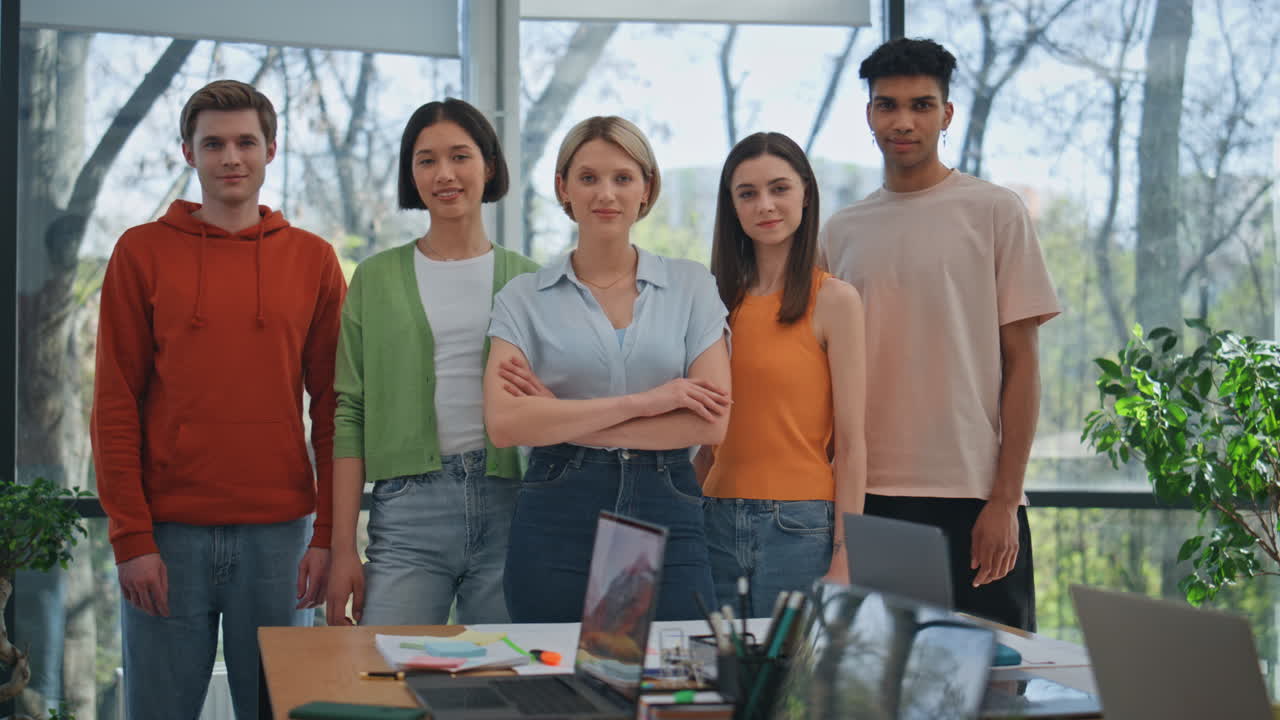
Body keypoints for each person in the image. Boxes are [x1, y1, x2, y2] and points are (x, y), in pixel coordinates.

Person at [91, 79, 345, 719]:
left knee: (277, 711)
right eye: (214, 143)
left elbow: (335, 407)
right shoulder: (140, 253)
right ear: (188, 153)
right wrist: (130, 538)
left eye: (245, 142)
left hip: (281, 538)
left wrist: (329, 536)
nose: (231, 157)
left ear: (271, 150)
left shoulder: (313, 260)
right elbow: (115, 403)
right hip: (168, 537)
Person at [819, 38, 1061, 632]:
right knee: (874, 691)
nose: (903, 121)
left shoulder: (996, 211)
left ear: (946, 114)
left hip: (975, 498)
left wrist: (1005, 498)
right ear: (870, 114)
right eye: (888, 105)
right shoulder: (840, 232)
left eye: (922, 105)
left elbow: (1023, 366)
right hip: (867, 499)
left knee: (994, 688)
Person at [485, 115, 729, 623]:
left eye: (623, 178)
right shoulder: (523, 298)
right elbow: (506, 423)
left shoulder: (692, 286)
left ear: (647, 189)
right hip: (559, 507)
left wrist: (563, 416)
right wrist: (649, 402)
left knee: (674, 679)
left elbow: (710, 422)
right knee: (556, 685)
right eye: (589, 178)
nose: (606, 195)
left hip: (667, 500)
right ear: (563, 188)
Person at [325, 98, 538, 627]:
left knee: (499, 690)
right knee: (383, 681)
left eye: (460, 156)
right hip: (406, 513)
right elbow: (349, 414)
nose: (445, 174)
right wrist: (344, 548)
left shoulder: (531, 282)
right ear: (411, 173)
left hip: (513, 507)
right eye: (426, 160)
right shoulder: (374, 279)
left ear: (489, 165)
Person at [698, 131, 866, 616]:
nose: (764, 205)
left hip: (800, 527)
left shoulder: (835, 300)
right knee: (716, 682)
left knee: (791, 684)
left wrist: (844, 557)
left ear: (806, 193)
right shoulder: (712, 302)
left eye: (779, 188)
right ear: (731, 206)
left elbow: (853, 446)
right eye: (747, 194)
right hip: (713, 522)